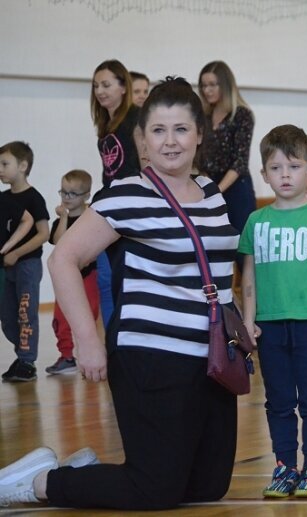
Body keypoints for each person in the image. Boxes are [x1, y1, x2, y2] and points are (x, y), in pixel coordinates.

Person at [0, 77, 240, 510]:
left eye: (181, 129)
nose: (170, 142)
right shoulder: (126, 194)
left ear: (199, 134)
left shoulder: (210, 193)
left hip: (211, 360)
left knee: (208, 485)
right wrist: (89, 342)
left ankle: (78, 473)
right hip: (151, 356)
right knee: (155, 489)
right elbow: (63, 260)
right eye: (158, 131)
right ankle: (38, 484)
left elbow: (221, 268)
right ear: (142, 139)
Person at [239, 124, 307, 498]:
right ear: (264, 174)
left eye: (294, 166)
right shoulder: (256, 221)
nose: (285, 175)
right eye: (276, 167)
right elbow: (248, 276)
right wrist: (248, 321)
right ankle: (285, 466)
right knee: (278, 401)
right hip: (269, 326)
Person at [90, 59, 143, 333]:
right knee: (105, 279)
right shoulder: (106, 123)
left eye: (107, 84)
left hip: (132, 206)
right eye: (97, 85)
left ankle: (127, 339)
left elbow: (143, 164)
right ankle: (113, 341)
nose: (100, 91)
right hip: (110, 204)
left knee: (124, 277)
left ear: (124, 87)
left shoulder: (135, 118)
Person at [0, 141, 49, 382]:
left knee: (25, 313)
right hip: (6, 269)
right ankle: (22, 356)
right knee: (8, 318)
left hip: (27, 266)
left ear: (23, 166)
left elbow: (43, 234)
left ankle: (28, 361)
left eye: (4, 164)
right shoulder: (4, 198)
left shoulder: (33, 198)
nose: (0, 169)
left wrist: (17, 253)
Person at [46, 170, 99, 375]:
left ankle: (93, 352)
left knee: (89, 315)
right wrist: (63, 217)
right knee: (60, 318)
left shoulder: (92, 218)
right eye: (63, 192)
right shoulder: (62, 219)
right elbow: (60, 241)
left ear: (86, 195)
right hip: (66, 278)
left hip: (88, 275)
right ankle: (66, 356)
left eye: (73, 194)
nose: (67, 198)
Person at [198, 61, 256, 237]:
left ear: (225, 84)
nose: (207, 90)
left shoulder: (242, 114)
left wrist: (216, 190)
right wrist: (208, 186)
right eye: (204, 85)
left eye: (213, 85)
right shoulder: (203, 116)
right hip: (209, 186)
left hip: (236, 187)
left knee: (242, 246)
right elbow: (198, 155)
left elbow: (240, 161)